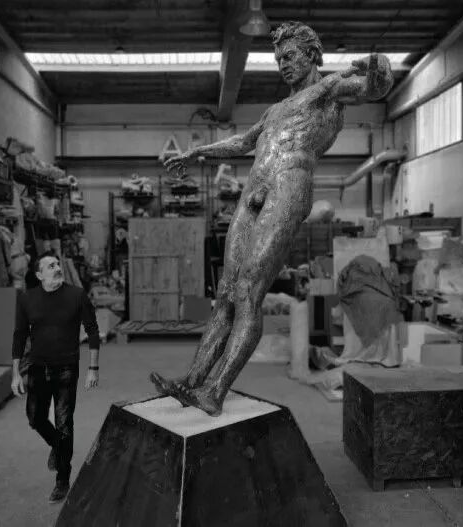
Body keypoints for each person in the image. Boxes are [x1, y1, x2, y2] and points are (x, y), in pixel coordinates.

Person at [150, 21, 394, 416]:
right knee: (225, 293)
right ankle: (191, 381)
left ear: (312, 55)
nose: (283, 64)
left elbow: (375, 88)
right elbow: (242, 142)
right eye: (279, 58)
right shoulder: (274, 110)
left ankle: (216, 391)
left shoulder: (330, 89)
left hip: (288, 188)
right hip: (253, 192)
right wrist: (196, 153)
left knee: (248, 291)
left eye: (290, 56)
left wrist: (377, 63)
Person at [10, 251, 101, 502]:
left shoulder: (76, 295)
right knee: (35, 418)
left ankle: (63, 478)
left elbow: (92, 330)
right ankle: (58, 447)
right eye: (50, 266)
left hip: (67, 367)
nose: (57, 267)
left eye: (58, 264)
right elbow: (19, 335)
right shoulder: (27, 299)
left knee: (64, 423)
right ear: (39, 275)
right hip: (38, 367)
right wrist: (15, 373)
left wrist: (93, 368)